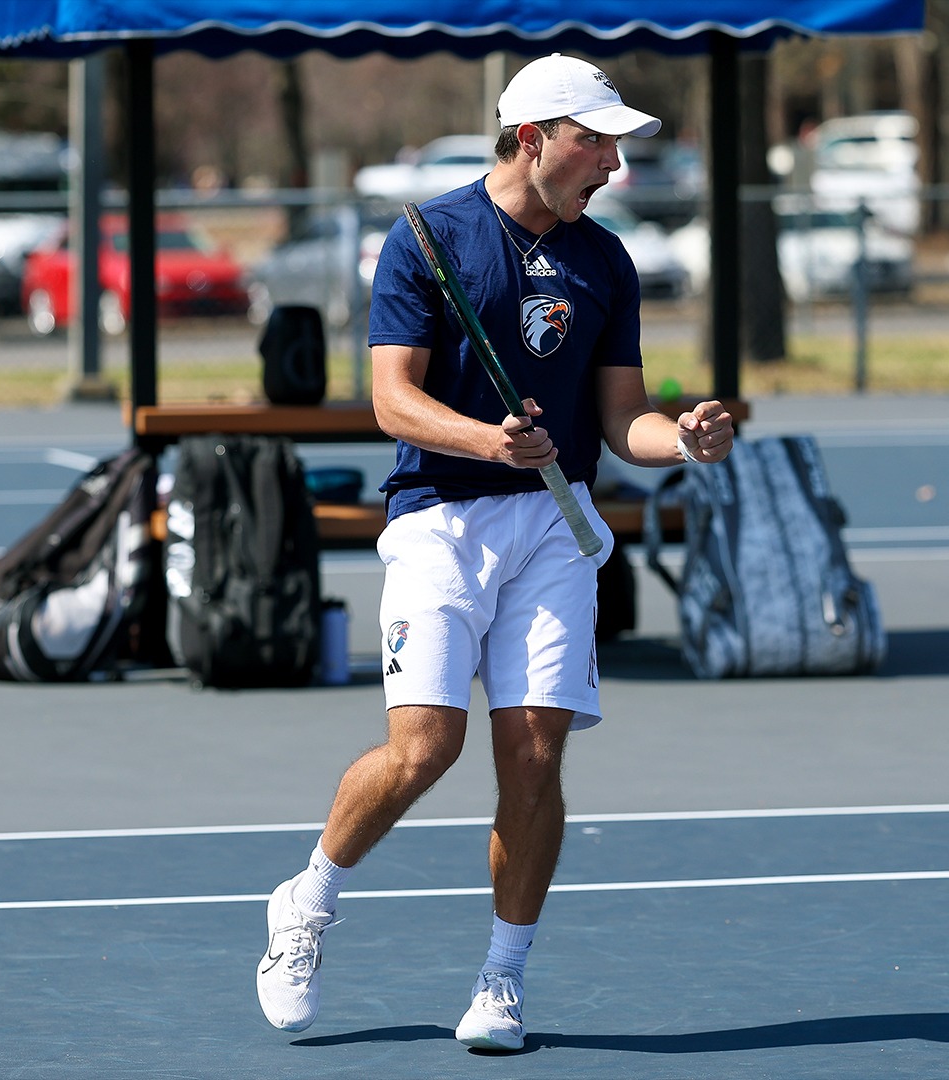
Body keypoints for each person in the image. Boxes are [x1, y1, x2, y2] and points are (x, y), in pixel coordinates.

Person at [256, 53, 734, 1052]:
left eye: (614, 143)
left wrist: (681, 439)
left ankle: (500, 982)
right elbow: (392, 400)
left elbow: (620, 422)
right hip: (440, 518)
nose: (612, 162)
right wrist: (487, 439)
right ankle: (307, 900)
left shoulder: (606, 261)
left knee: (533, 755)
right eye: (594, 141)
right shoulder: (429, 236)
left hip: (554, 531)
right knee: (426, 748)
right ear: (533, 139)